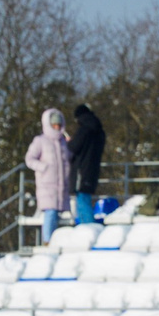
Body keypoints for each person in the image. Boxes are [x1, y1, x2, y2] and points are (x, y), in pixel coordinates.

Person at [24, 109, 70, 244]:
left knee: (60, 214)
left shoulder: (63, 142)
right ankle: (47, 242)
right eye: (54, 124)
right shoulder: (40, 141)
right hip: (46, 185)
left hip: (62, 186)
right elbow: (29, 159)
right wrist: (44, 168)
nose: (57, 127)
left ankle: (58, 242)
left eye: (59, 124)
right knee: (51, 212)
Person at [69, 103, 107, 230]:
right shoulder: (99, 131)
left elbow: (74, 147)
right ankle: (88, 228)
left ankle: (88, 230)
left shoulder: (84, 130)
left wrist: (69, 142)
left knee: (82, 201)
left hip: (82, 170)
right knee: (85, 199)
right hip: (93, 170)